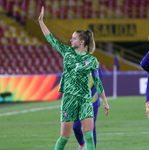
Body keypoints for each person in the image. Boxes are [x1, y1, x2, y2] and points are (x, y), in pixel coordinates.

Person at [38, 6, 109, 150]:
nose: (71, 40)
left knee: (88, 135)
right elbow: (51, 39)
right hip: (69, 99)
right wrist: (41, 21)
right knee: (64, 137)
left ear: (82, 42)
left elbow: (97, 82)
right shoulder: (67, 52)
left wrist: (105, 101)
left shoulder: (92, 60)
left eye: (74, 38)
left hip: (85, 99)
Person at [73, 64, 102, 150]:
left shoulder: (95, 64)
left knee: (91, 129)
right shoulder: (75, 63)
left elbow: (98, 82)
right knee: (76, 127)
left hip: (92, 101)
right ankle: (82, 145)